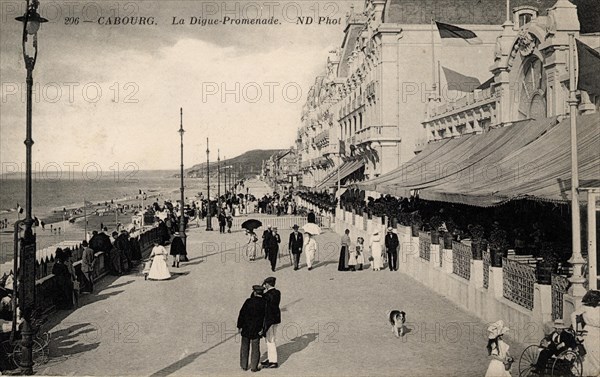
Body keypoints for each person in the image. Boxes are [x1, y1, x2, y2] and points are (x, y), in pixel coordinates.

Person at [237, 285, 266, 372]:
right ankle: (254, 367)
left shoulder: (248, 301)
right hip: (257, 329)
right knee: (255, 348)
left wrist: (239, 326)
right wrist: (263, 329)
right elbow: (266, 317)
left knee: (244, 347)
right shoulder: (264, 303)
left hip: (246, 328)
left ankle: (244, 366)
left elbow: (242, 314)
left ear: (254, 292)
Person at [261, 277, 281, 369]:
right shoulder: (277, 292)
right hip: (276, 318)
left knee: (270, 340)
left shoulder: (267, 295)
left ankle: (273, 361)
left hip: (269, 319)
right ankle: (270, 358)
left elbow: (255, 296)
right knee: (271, 338)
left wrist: (261, 288)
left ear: (267, 284)